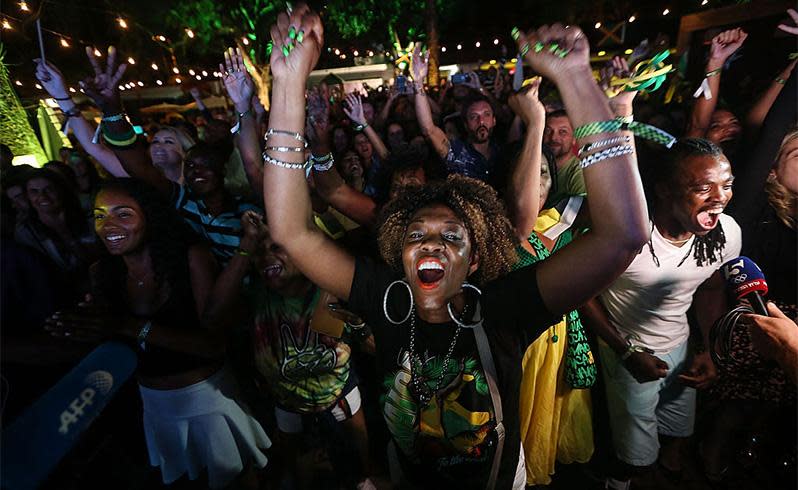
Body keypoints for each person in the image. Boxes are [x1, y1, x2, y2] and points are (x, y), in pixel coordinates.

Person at [261, 9, 648, 488]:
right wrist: (287, 80)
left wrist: (576, 78)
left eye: (451, 236)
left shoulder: (505, 310)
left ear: (477, 258)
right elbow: (292, 233)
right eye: (417, 235)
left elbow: (623, 236)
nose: (431, 245)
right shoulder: (386, 300)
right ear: (398, 254)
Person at [44, 178, 270, 489]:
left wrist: (126, 325)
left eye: (123, 214)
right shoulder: (102, 273)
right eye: (99, 215)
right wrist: (86, 327)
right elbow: (116, 345)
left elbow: (211, 345)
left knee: (239, 479)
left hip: (208, 398)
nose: (108, 225)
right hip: (155, 403)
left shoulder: (190, 258)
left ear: (149, 214)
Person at [581, 138, 742, 490]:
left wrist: (706, 346)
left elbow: (711, 287)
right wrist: (625, 351)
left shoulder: (726, 233)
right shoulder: (627, 238)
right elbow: (583, 295)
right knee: (634, 460)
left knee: (676, 439)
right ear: (664, 190)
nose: (719, 197)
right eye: (703, 187)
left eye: (726, 185)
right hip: (628, 353)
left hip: (682, 349)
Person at [204, 211, 374, 489]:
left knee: (358, 472)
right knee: (298, 471)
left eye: (276, 248)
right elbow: (212, 317)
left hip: (339, 396)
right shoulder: (257, 297)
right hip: (287, 405)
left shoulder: (328, 292)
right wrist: (247, 245)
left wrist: (358, 324)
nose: (267, 257)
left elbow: (376, 349)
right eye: (259, 251)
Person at [76, 46, 262, 264]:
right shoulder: (186, 203)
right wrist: (112, 110)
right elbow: (140, 167)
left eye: (205, 166)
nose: (196, 172)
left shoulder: (248, 209)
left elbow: (252, 166)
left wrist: (243, 106)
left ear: (222, 170)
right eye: (191, 166)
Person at [505, 80, 596, 486]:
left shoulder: (562, 220)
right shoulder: (498, 232)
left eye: (544, 173)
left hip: (556, 349)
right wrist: (536, 121)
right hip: (519, 352)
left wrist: (618, 115)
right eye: (528, 173)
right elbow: (521, 218)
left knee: (546, 427)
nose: (537, 183)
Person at [412, 46, 502, 183]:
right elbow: (429, 130)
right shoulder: (457, 152)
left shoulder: (503, 151)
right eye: (474, 117)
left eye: (486, 114)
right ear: (465, 124)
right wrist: (418, 83)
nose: (481, 121)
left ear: (494, 120)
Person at [15, 168, 102, 292]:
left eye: (48, 189)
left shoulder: (88, 215)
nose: (42, 196)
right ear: (28, 196)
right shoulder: (26, 231)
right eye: (34, 192)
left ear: (60, 190)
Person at [543, 110, 585, 204]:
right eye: (548, 131)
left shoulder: (579, 173)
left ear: (574, 139)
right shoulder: (536, 165)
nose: (553, 138)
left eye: (562, 132)